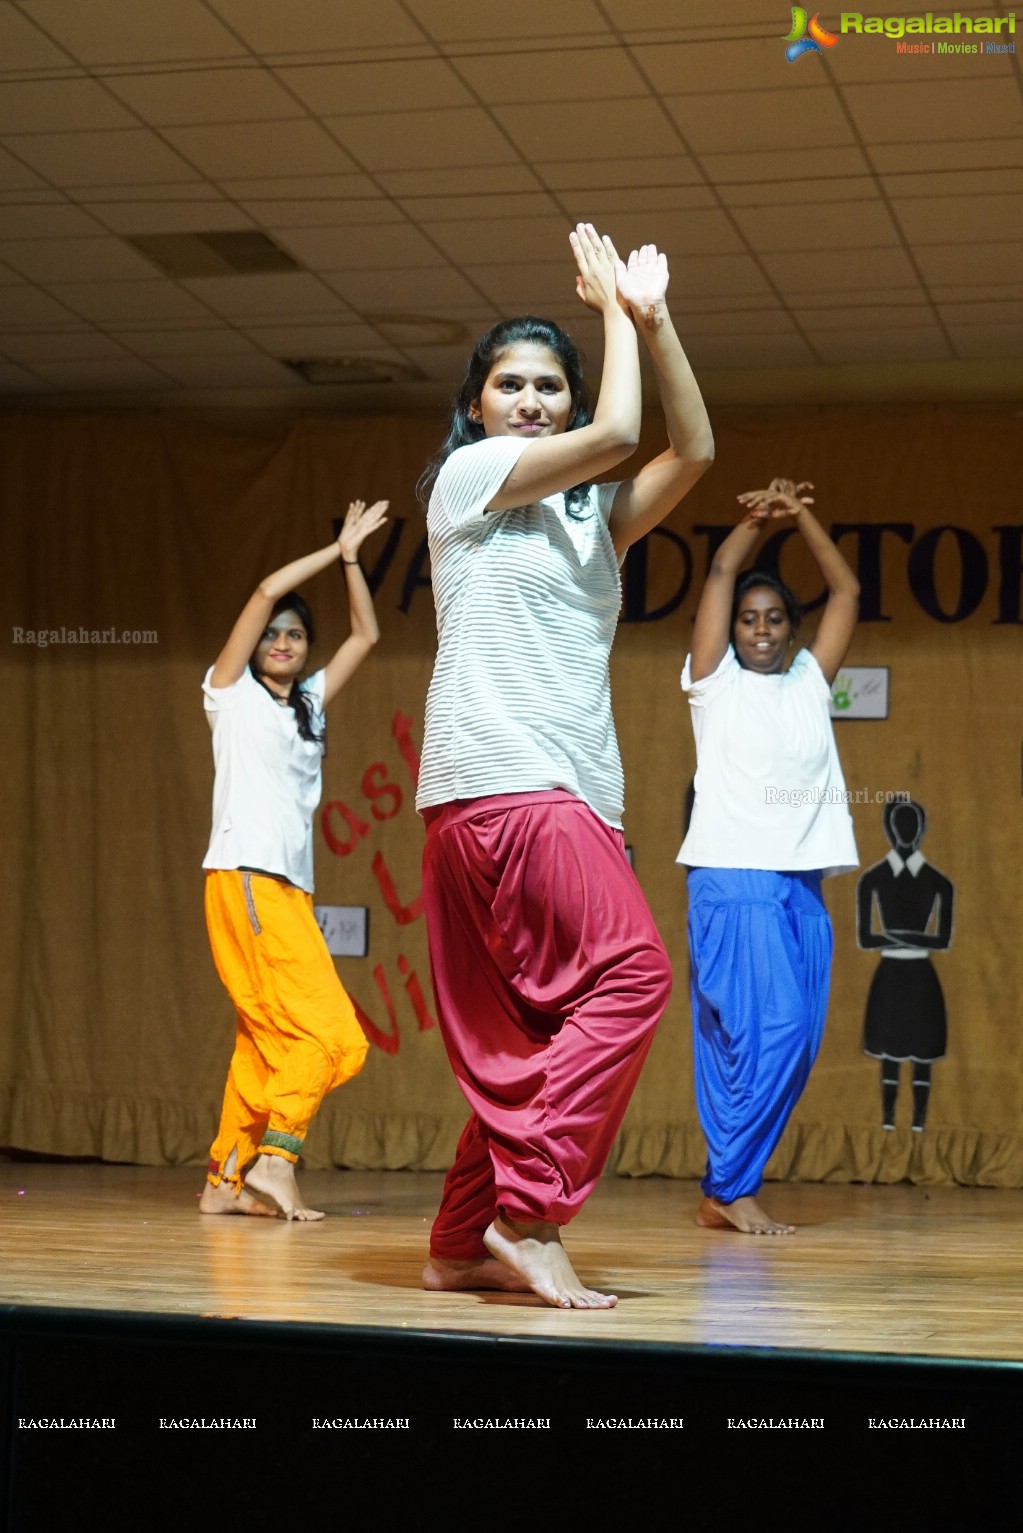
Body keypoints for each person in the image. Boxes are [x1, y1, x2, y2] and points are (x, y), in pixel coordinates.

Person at [416, 223, 714, 1308]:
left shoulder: (589, 523)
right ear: (480, 407)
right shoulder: (469, 478)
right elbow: (624, 427)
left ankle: (459, 1242)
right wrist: (606, 316)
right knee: (632, 977)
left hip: (520, 801)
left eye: (551, 385)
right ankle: (527, 1214)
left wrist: (656, 320)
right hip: (514, 786)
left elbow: (690, 451)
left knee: (537, 1037)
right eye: (513, 386)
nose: (533, 401)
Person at [678, 478, 860, 1234]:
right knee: (769, 1034)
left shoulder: (808, 684)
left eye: (773, 617)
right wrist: (753, 520)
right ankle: (728, 1185)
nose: (757, 628)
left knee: (789, 1041)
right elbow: (720, 574)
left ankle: (729, 1185)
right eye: (747, 619)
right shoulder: (712, 685)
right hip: (733, 877)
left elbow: (846, 588)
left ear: (789, 627)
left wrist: (803, 514)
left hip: (800, 886)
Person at [198, 498, 387, 1221]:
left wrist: (351, 563)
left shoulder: (306, 704)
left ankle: (224, 1176)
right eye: (272, 636)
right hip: (247, 878)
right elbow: (263, 593)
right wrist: (332, 543)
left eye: (296, 635)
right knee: (335, 1038)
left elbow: (366, 633)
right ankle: (276, 1158)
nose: (281, 640)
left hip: (286, 891)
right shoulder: (231, 696)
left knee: (267, 1041)